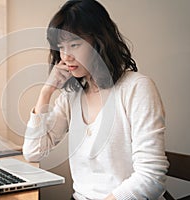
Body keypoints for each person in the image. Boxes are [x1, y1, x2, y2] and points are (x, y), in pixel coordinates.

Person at [22, 0, 169, 199]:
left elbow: (151, 177)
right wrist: (46, 92)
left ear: (100, 41)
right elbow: (33, 152)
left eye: (74, 45)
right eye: (60, 47)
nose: (65, 57)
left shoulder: (137, 88)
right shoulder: (71, 95)